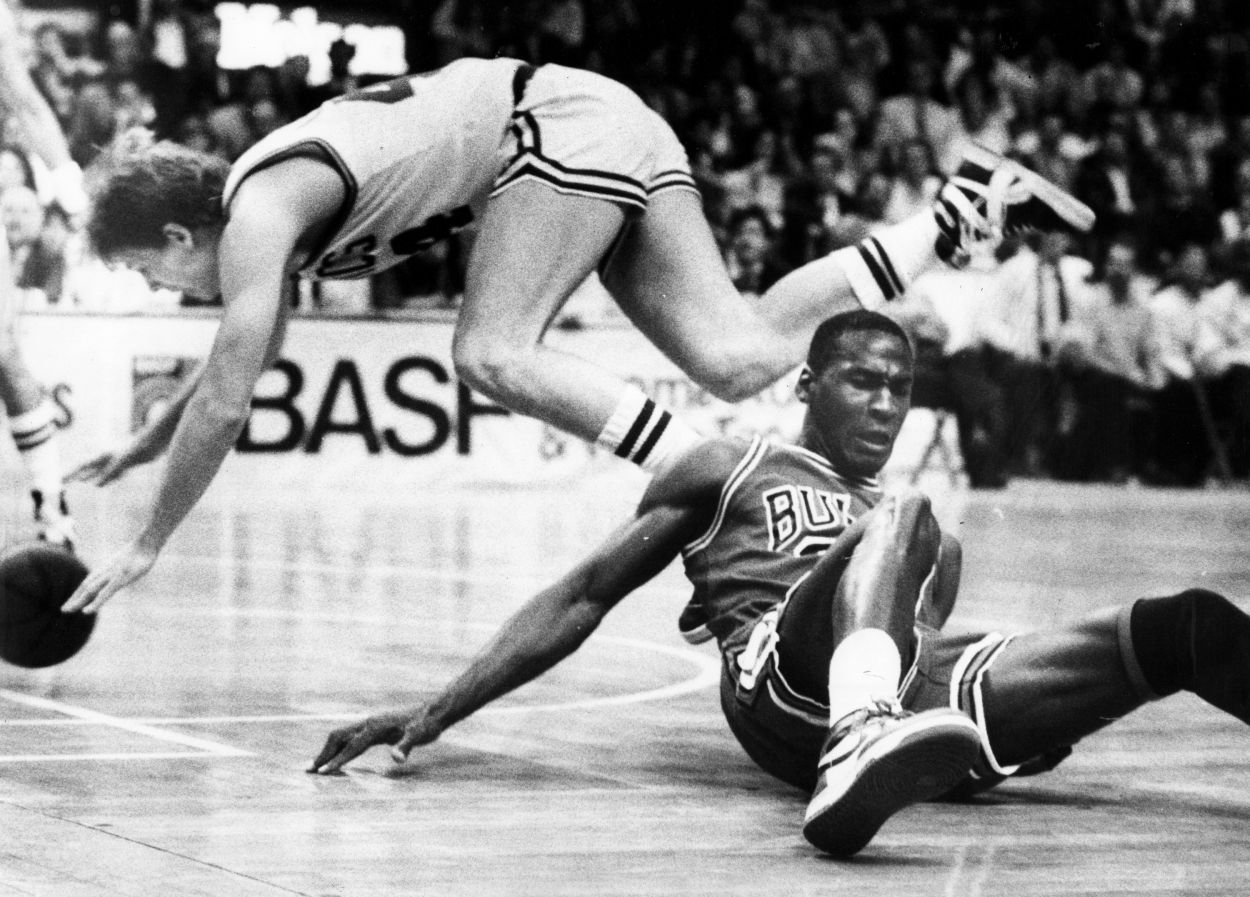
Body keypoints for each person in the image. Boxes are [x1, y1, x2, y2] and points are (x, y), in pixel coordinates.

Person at [65, 57, 1094, 613]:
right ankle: (957, 214)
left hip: (550, 128)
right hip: (599, 120)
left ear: (172, 232)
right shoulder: (266, 206)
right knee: (734, 354)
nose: (167, 288)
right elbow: (231, 370)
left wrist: (152, 539)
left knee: (488, 352)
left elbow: (233, 393)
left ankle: (707, 471)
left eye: (154, 270)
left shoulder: (255, 217)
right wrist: (147, 444)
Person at [311, 310, 1250, 858]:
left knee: (1182, 626)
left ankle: (884, 742)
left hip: (891, 694)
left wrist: (1014, 735)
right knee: (909, 516)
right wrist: (437, 709)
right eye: (861, 380)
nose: (885, 403)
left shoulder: (927, 544)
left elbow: (907, 631)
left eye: (899, 387)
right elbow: (584, 593)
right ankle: (860, 736)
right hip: (780, 680)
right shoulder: (731, 465)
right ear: (808, 384)